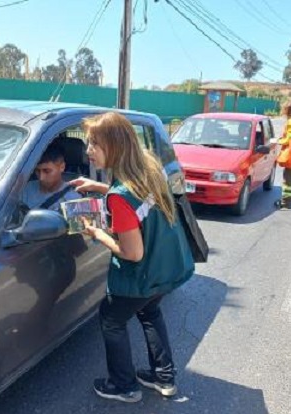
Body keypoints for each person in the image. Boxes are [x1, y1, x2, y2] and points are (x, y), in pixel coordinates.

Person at [70, 112, 194, 403]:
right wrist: (101, 187)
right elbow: (140, 199)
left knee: (111, 319)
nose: (88, 151)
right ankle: (164, 378)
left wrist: (97, 234)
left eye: (94, 145)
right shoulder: (148, 168)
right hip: (167, 267)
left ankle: (124, 385)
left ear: (114, 146)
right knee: (149, 312)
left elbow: (133, 252)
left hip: (142, 272)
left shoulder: (119, 197)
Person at [21, 143, 80, 211]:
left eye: (47, 171)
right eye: (37, 171)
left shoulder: (73, 198)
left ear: (62, 167)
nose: (41, 178)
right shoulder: (26, 190)